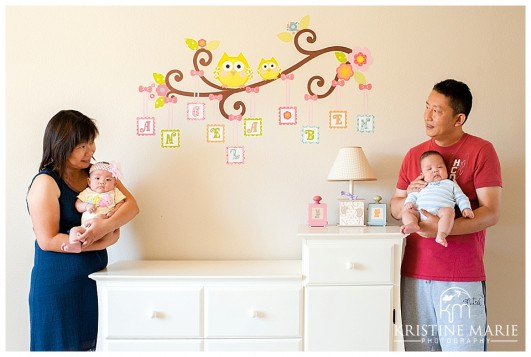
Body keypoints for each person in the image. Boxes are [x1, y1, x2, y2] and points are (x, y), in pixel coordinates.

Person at [390, 79, 502, 351]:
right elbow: (394, 206)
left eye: (437, 111)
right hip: (415, 275)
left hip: (460, 275)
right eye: (427, 107)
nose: (427, 116)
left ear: (458, 118)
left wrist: (442, 228)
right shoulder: (415, 155)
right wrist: (406, 201)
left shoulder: (480, 150)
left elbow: (491, 212)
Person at [26, 110, 140, 351]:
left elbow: (132, 206)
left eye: (91, 143)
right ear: (61, 146)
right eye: (82, 146)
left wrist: (105, 226)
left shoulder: (98, 173)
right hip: (58, 287)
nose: (90, 151)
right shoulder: (46, 182)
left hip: (93, 281)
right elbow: (47, 241)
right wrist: (101, 241)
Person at [400, 150, 475, 247]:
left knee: (449, 212)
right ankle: (412, 224)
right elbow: (412, 195)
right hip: (420, 212)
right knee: (407, 212)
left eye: (440, 167)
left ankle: (442, 234)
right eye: (429, 169)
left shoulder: (450, 184)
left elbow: (461, 197)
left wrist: (466, 208)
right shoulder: (422, 184)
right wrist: (409, 202)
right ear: (422, 174)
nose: (435, 170)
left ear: (446, 170)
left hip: (441, 211)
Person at [62, 161, 127, 253]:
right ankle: (75, 245)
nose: (102, 182)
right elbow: (77, 205)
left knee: (103, 226)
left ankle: (82, 245)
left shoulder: (114, 192)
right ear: (89, 181)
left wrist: (113, 212)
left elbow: (122, 203)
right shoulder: (87, 192)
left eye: (108, 180)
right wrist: (86, 206)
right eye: (97, 178)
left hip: (104, 227)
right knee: (74, 230)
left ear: (115, 183)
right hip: (85, 227)